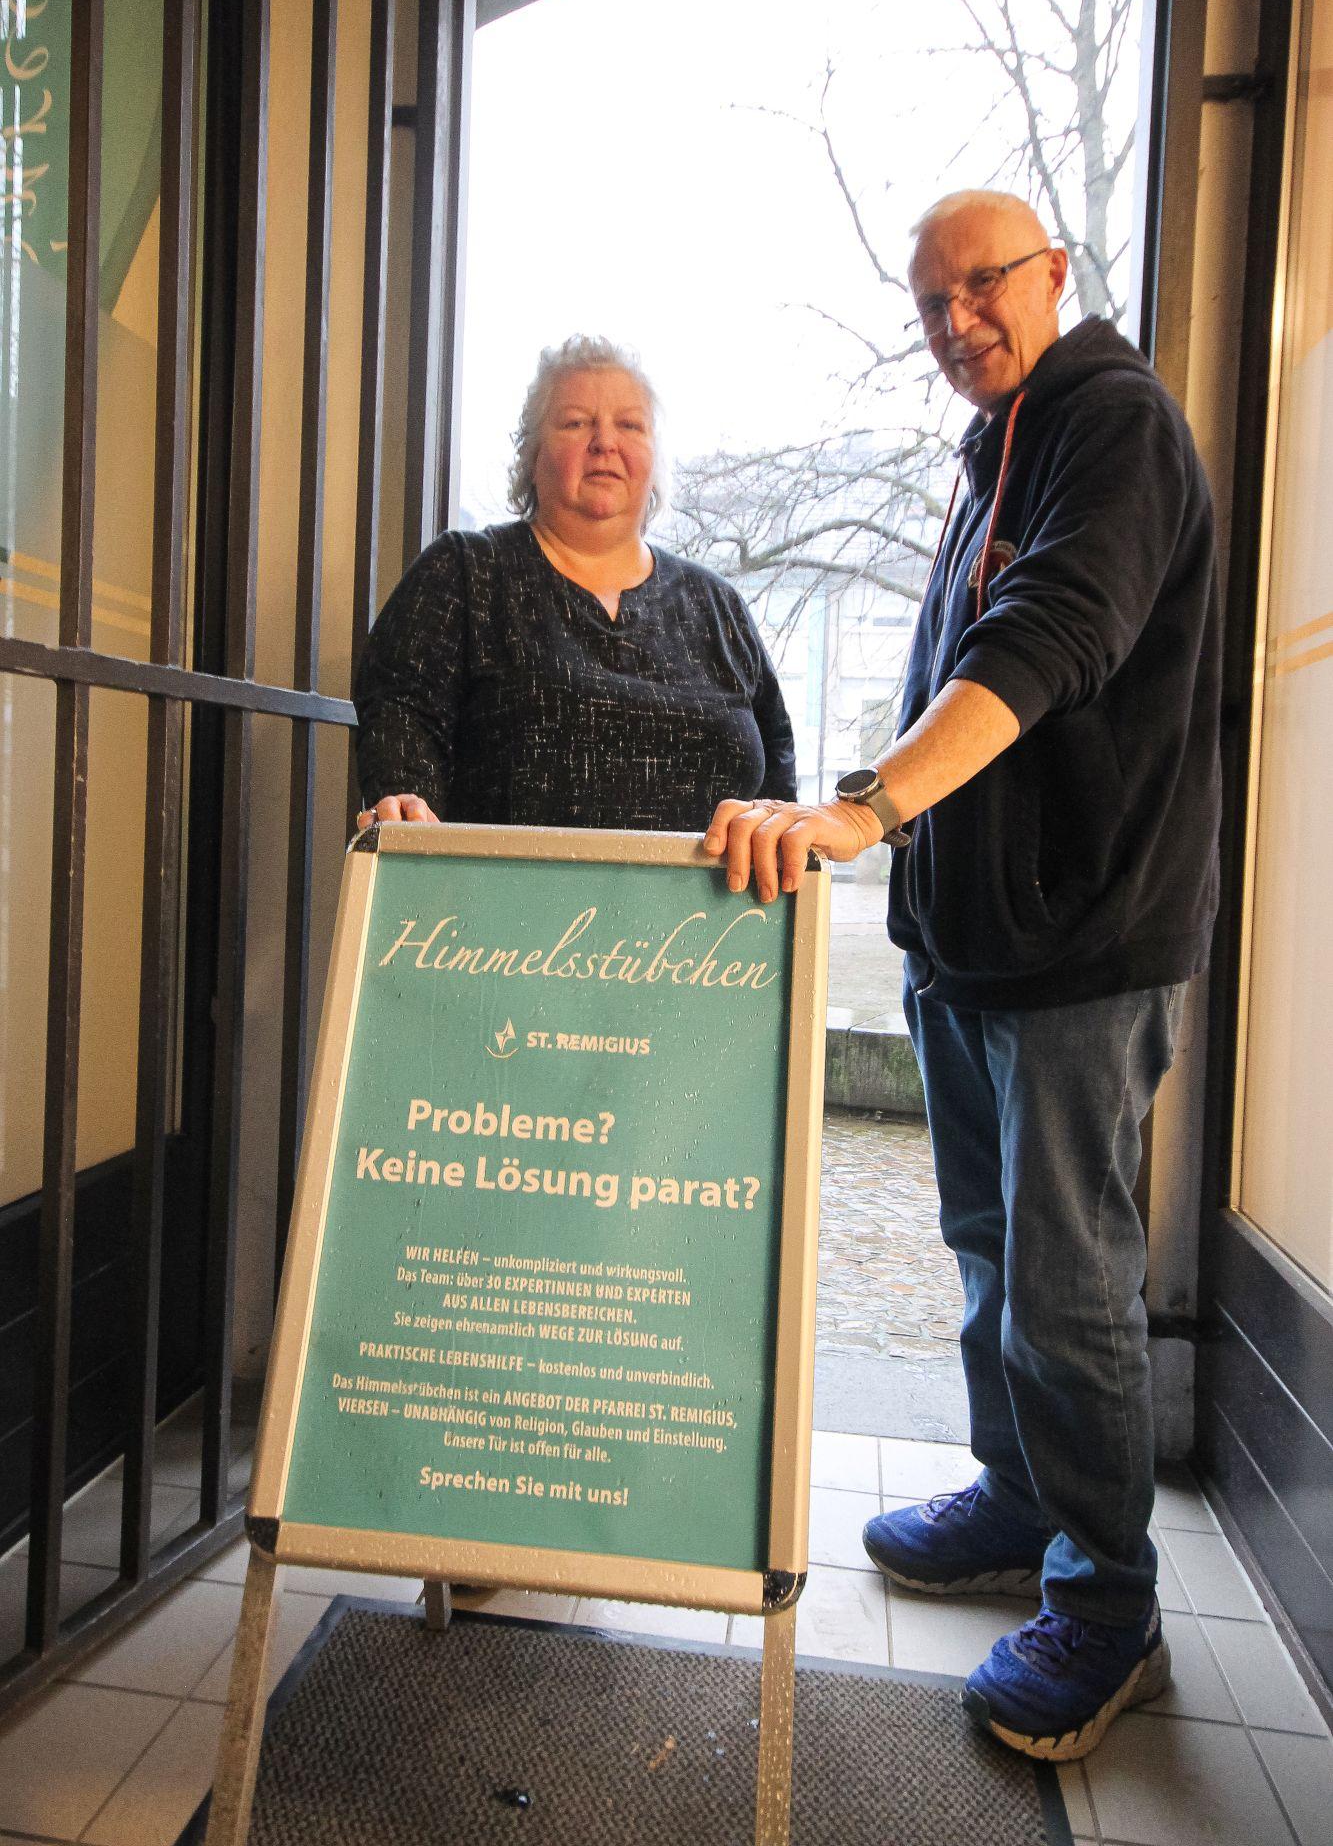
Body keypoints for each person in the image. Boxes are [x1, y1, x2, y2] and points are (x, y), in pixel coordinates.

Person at [703, 190, 1221, 1762]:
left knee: (1068, 1287)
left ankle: (1108, 1607)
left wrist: (861, 812)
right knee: (991, 1252)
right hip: (973, 943)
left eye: (980, 285)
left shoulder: (1110, 424)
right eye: (929, 302)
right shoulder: (994, 447)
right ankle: (1017, 1498)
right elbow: (958, 667)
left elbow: (1043, 644)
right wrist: (918, 883)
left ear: (1052, 273)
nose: (953, 321)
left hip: (1082, 949)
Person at [355, 334, 796, 832]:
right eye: (576, 422)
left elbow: (778, 787)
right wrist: (405, 808)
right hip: (501, 884)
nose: (605, 442)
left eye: (629, 425)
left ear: (654, 460)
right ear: (531, 455)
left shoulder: (718, 605)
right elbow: (400, 725)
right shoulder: (463, 572)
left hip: (714, 887)